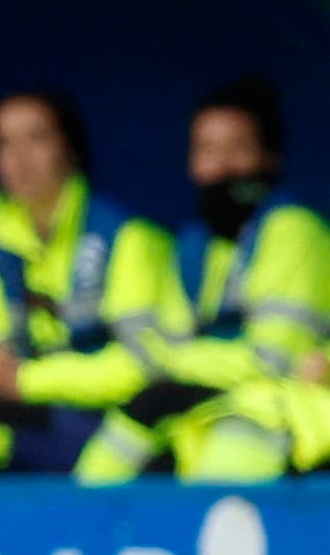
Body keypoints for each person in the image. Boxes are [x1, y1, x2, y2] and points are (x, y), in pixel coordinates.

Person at [0, 89, 184, 482]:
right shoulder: (0, 244)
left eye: (37, 138)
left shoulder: (127, 238)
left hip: (120, 420)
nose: (20, 158)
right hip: (44, 416)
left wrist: (27, 380)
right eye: (5, 143)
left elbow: (144, 367)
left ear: (71, 148)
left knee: (104, 466)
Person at [74, 78, 330, 482]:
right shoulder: (196, 245)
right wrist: (169, 370)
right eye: (207, 150)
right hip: (203, 410)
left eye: (238, 148)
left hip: (283, 416)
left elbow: (275, 359)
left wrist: (172, 368)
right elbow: (172, 351)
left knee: (203, 433)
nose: (222, 166)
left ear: (271, 158)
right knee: (117, 444)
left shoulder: (293, 229)